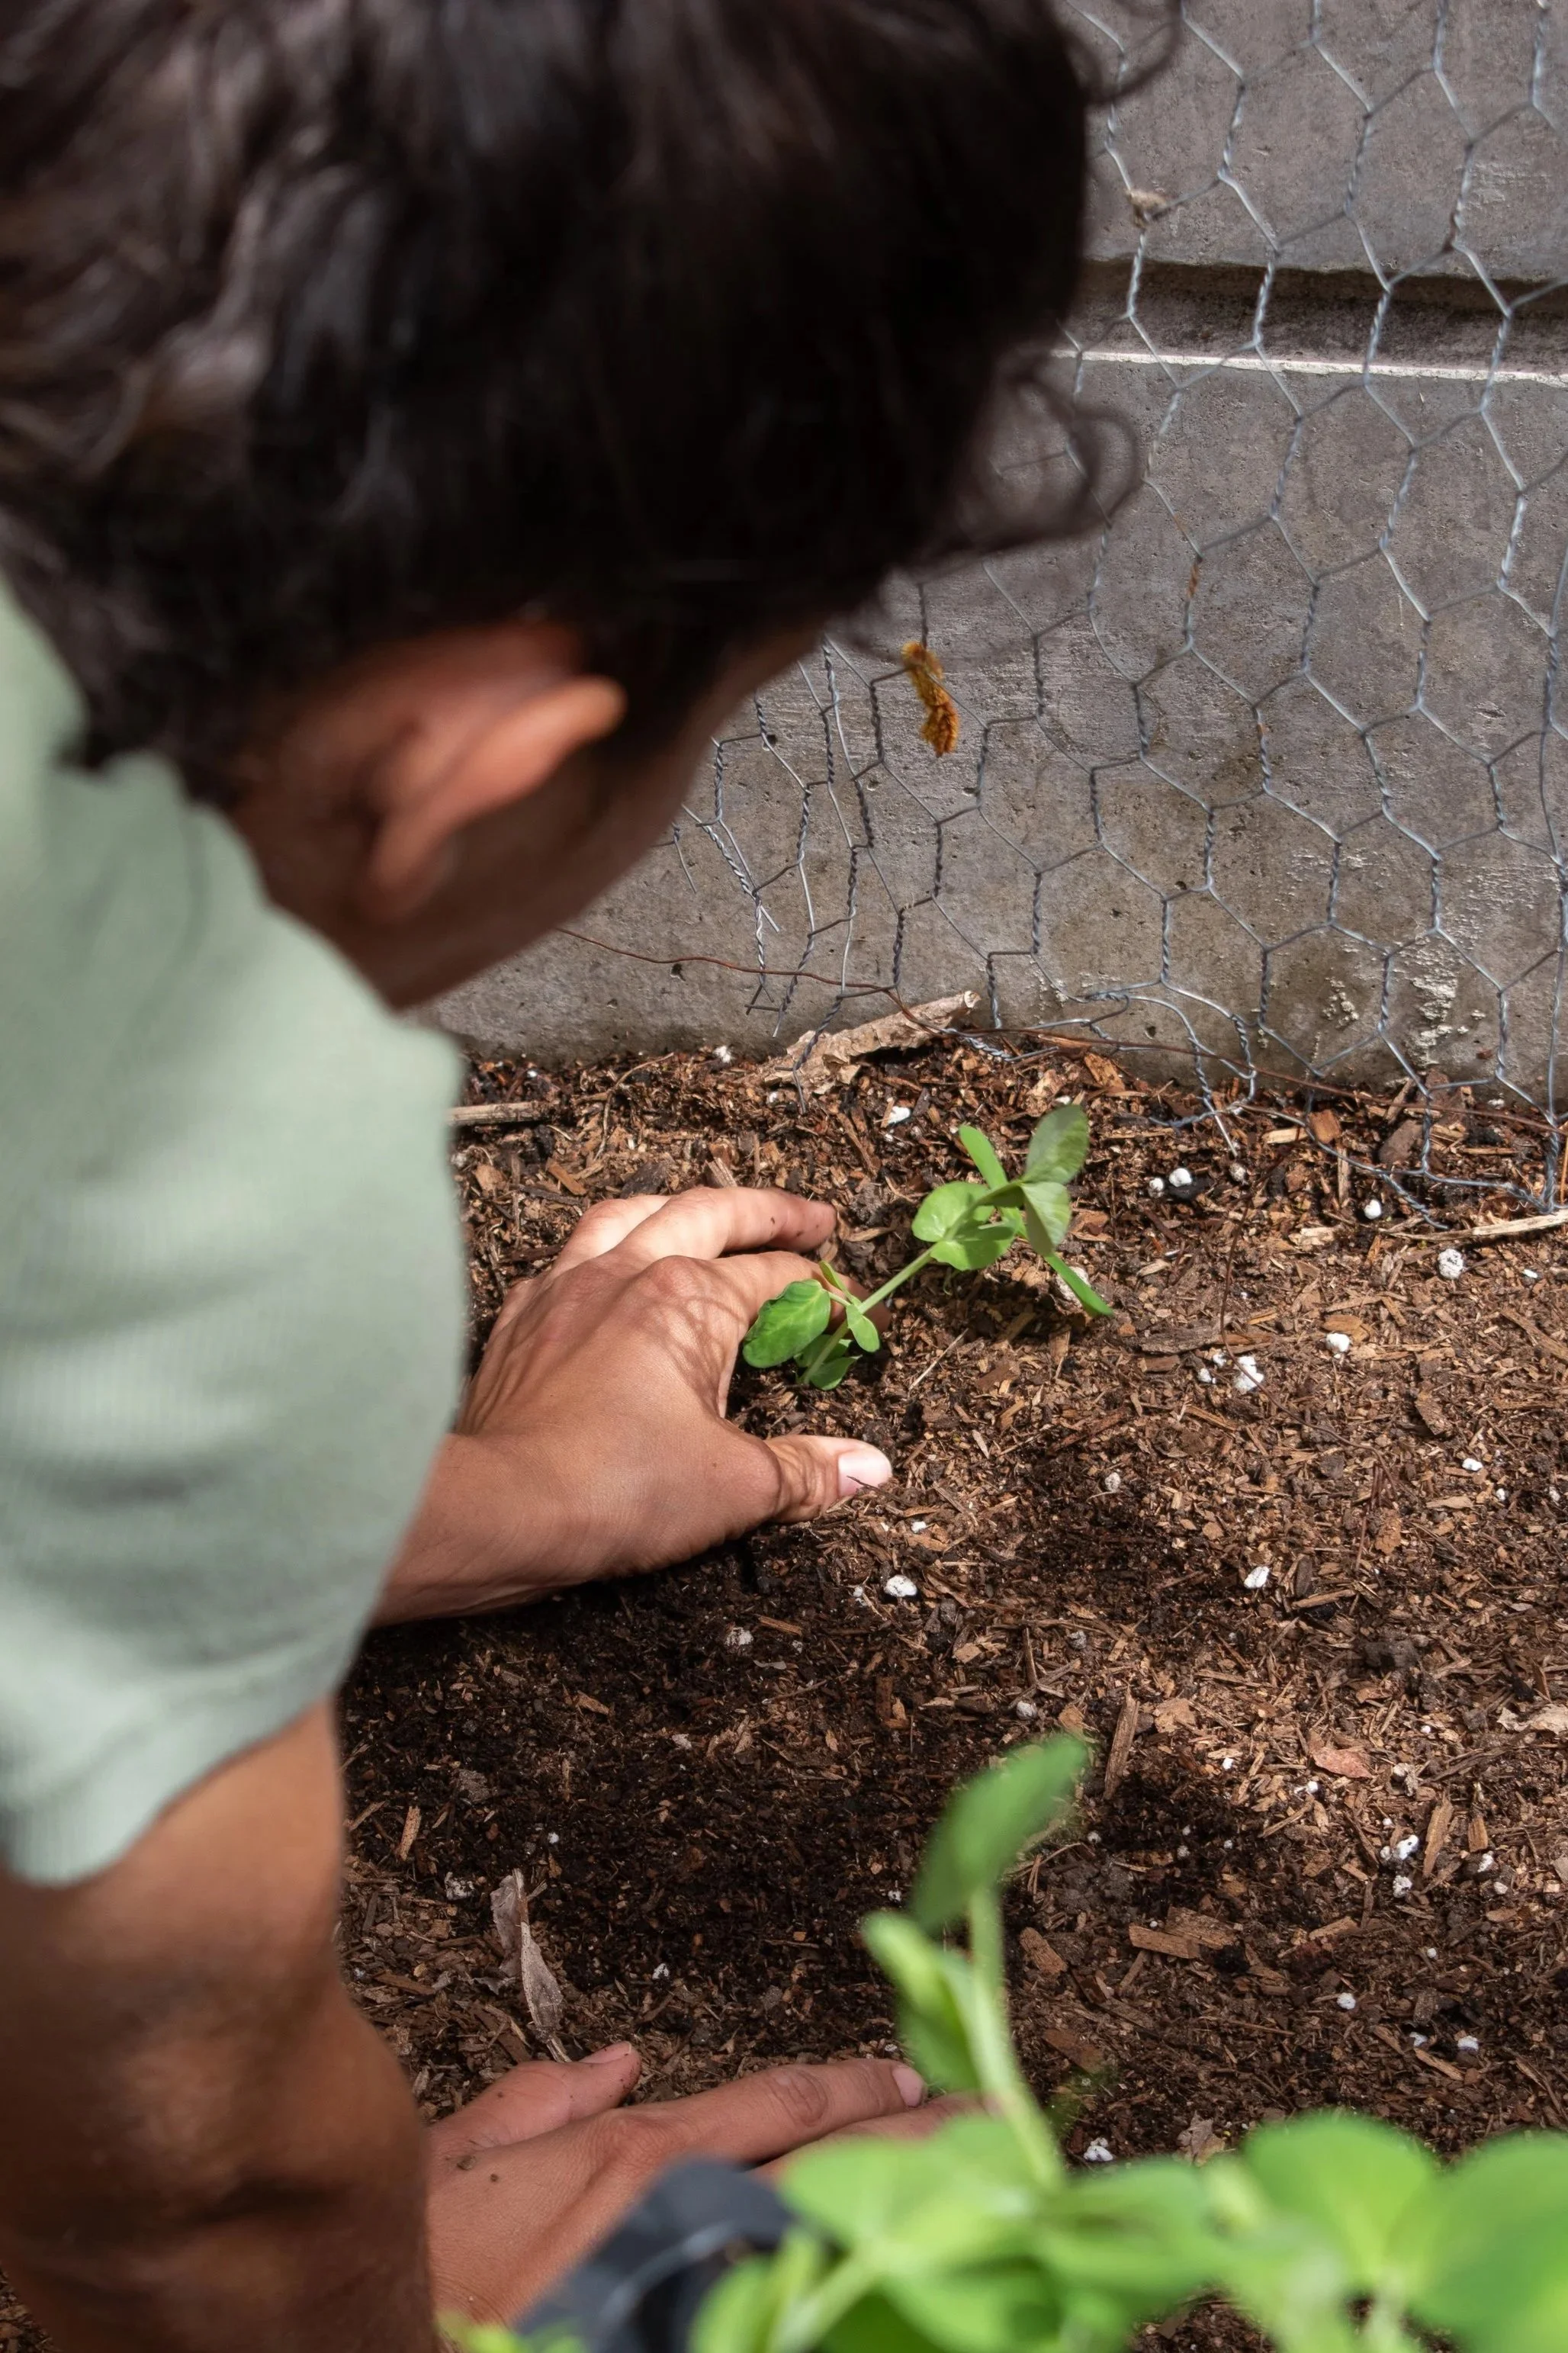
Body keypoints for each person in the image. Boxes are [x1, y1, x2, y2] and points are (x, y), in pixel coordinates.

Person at [0, 2, 1116, 2345]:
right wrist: (374, 2285)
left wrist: (512, 1496)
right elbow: (161, 2208)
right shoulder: (170, 1110)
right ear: (476, 764)